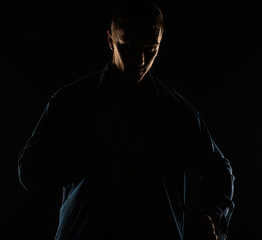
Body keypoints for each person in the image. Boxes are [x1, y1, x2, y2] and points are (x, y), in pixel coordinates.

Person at [18, 1, 235, 239]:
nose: (140, 60)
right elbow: (28, 170)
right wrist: (92, 144)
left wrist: (213, 217)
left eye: (151, 48)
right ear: (110, 40)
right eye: (129, 46)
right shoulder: (72, 101)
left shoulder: (176, 111)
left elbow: (219, 169)